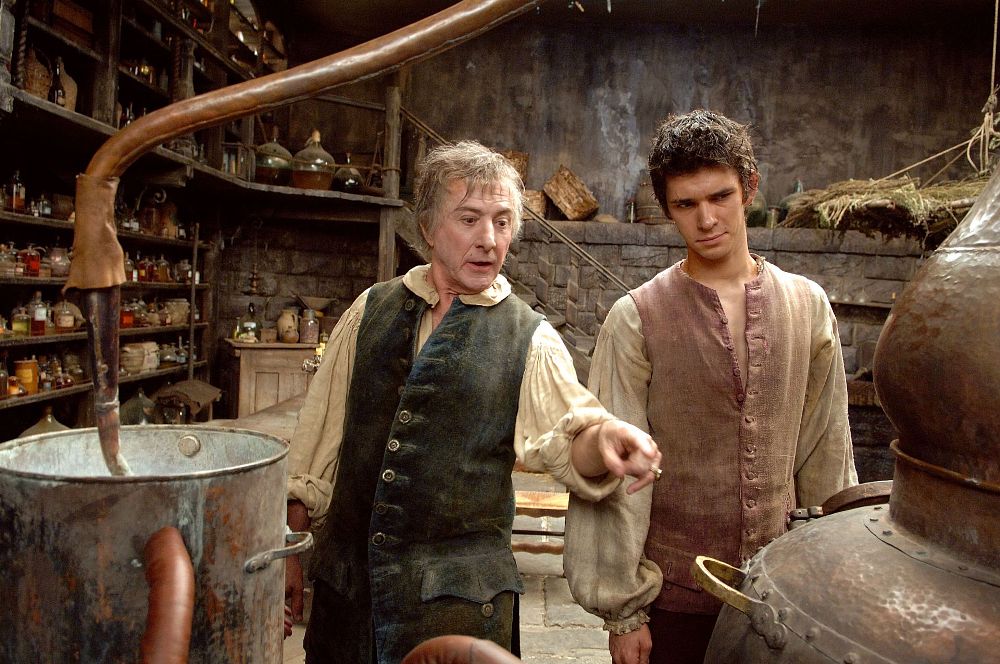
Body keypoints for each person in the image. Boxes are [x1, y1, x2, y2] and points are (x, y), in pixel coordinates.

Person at [284, 140, 662, 664]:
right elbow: (315, 447)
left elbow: (568, 434)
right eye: (469, 219)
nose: (489, 239)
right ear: (428, 228)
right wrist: (290, 550)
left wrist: (607, 439)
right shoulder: (370, 310)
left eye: (502, 222)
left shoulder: (529, 337)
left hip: (458, 615)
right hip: (347, 611)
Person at [564, 110, 858, 664]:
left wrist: (831, 580)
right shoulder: (635, 318)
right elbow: (614, 479)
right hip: (673, 603)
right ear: (667, 208)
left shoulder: (807, 307)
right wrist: (623, 611)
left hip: (781, 601)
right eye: (686, 204)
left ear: (749, 188)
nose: (706, 219)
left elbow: (826, 452)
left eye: (720, 196)